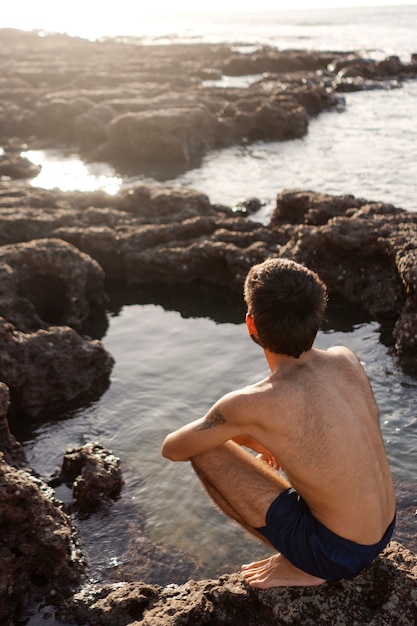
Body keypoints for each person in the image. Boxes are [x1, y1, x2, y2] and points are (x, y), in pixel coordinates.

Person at [161, 257, 396, 588]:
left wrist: (241, 432)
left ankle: (303, 564)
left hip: (336, 555)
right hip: (385, 530)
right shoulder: (346, 359)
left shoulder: (252, 403)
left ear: (251, 325)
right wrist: (254, 435)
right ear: (318, 317)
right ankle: (310, 550)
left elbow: (173, 447)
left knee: (205, 450)